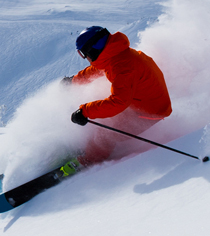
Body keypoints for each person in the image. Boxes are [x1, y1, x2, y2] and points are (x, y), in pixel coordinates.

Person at [64, 26, 172, 166]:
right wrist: (74, 81)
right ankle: (88, 148)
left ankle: (87, 161)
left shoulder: (123, 68)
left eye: (84, 54)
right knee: (101, 117)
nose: (86, 58)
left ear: (93, 50)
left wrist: (85, 111)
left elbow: (119, 102)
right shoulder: (115, 55)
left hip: (151, 112)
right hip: (140, 101)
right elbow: (98, 69)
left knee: (104, 134)